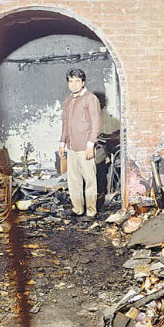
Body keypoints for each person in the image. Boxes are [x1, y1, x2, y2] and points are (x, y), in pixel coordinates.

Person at [59, 68, 101, 218]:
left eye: (77, 81)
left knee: (89, 180)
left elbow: (96, 123)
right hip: (71, 147)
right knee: (73, 180)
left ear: (83, 82)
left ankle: (91, 211)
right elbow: (65, 124)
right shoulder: (68, 100)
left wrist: (90, 144)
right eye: (71, 81)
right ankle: (78, 209)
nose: (74, 84)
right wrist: (62, 143)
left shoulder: (90, 98)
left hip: (85, 147)